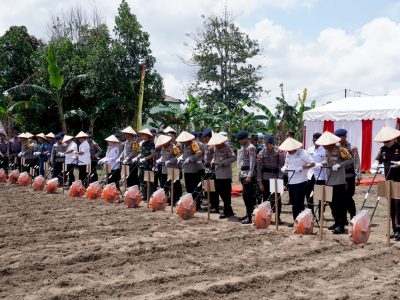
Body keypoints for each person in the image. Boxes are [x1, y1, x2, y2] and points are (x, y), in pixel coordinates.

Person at [315, 131, 352, 234]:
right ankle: (336, 222)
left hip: (339, 182)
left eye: (325, 144)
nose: (323, 146)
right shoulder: (326, 151)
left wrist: (340, 164)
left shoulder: (341, 150)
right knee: (331, 204)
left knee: (339, 204)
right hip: (329, 181)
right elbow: (329, 161)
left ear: (330, 143)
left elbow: (350, 160)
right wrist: (323, 163)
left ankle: (341, 225)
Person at [372, 126, 400, 241]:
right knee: (391, 207)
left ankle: (399, 230)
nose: (386, 143)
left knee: (399, 207)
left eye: (387, 141)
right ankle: (394, 229)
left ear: (394, 139)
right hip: (388, 181)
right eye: (384, 141)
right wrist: (376, 164)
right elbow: (378, 159)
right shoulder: (383, 149)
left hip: (399, 181)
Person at [279, 137, 314, 226]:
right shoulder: (288, 153)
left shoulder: (303, 153)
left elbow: (312, 163)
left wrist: (302, 167)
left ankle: (301, 221)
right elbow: (287, 162)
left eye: (290, 149)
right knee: (293, 203)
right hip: (291, 181)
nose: (289, 151)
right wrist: (285, 167)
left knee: (299, 202)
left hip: (301, 181)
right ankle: (296, 221)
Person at [257, 134, 285, 223]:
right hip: (265, 178)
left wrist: (280, 178)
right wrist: (260, 182)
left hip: (276, 177)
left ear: (271, 143)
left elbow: (282, 165)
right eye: (265, 143)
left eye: (268, 143)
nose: (266, 145)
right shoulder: (261, 153)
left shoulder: (278, 152)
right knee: (266, 198)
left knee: (277, 198)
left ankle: (278, 217)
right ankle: (266, 216)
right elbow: (259, 168)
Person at [208, 133, 237, 219]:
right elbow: (215, 157)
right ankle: (229, 209)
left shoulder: (227, 147)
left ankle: (226, 211)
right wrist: (213, 161)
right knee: (220, 192)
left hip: (225, 174)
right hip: (218, 173)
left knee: (226, 193)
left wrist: (223, 163)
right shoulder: (215, 148)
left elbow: (233, 157)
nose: (216, 145)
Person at [334, 128, 360, 220]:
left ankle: (353, 215)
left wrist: (358, 176)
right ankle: (343, 219)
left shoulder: (352, 147)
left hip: (349, 175)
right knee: (340, 197)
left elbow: (356, 161)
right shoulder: (335, 147)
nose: (339, 139)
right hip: (339, 176)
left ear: (345, 136)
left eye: (340, 136)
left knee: (348, 196)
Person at [176, 131, 203, 210]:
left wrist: (190, 158)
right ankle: (191, 203)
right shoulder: (185, 145)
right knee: (188, 188)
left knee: (194, 188)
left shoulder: (193, 144)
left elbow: (199, 153)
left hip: (194, 169)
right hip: (187, 169)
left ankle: (197, 204)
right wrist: (181, 158)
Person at [156, 134, 182, 204]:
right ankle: (168, 199)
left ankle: (175, 199)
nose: (163, 144)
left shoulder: (174, 147)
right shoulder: (163, 147)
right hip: (164, 169)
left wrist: (170, 161)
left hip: (173, 169)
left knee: (174, 185)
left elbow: (179, 157)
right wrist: (160, 159)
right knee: (165, 184)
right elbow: (162, 155)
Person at [237, 131, 257, 224]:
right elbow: (241, 162)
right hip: (243, 173)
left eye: (241, 139)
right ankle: (248, 214)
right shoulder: (243, 147)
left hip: (248, 175)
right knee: (245, 196)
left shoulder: (251, 147)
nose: (239, 141)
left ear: (245, 138)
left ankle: (250, 217)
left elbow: (252, 163)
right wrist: (240, 173)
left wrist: (249, 175)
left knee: (248, 196)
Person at [306, 132, 326, 213]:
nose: (315, 142)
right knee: (309, 194)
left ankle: (321, 214)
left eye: (316, 141)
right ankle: (310, 212)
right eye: (314, 141)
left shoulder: (324, 150)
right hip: (310, 174)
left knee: (320, 196)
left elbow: (327, 161)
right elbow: (306, 160)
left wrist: (320, 164)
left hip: (320, 175)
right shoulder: (309, 149)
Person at [200, 128, 220, 213]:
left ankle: (215, 206)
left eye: (204, 137)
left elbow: (214, 156)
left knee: (213, 189)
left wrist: (211, 163)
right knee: (208, 188)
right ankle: (211, 204)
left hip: (212, 170)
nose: (203, 138)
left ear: (208, 137)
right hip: (206, 169)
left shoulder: (213, 145)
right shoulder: (206, 144)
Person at [136, 128, 155, 200]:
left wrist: (146, 158)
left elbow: (153, 154)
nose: (141, 136)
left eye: (142, 135)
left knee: (148, 180)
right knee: (141, 179)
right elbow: (141, 153)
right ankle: (144, 195)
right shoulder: (143, 143)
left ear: (147, 135)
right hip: (141, 164)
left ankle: (149, 196)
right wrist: (138, 157)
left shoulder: (151, 143)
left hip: (148, 164)